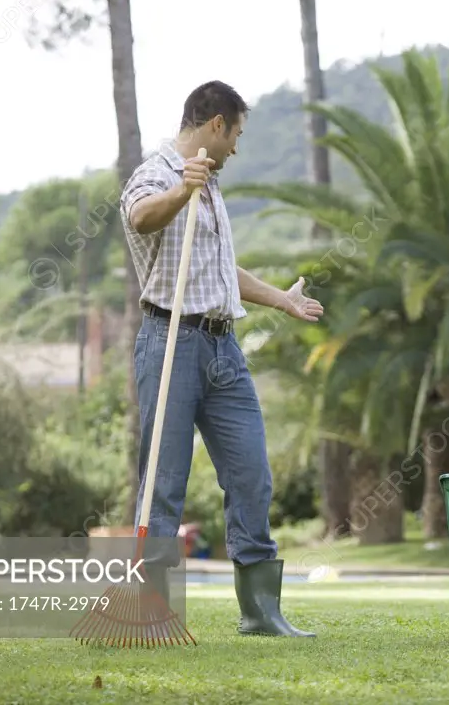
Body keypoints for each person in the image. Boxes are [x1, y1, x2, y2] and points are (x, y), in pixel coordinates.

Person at [120, 80, 324, 638]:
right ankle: (152, 612)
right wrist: (181, 193)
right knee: (164, 482)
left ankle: (260, 612)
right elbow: (141, 218)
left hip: (222, 346)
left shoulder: (209, 188)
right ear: (216, 124)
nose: (236, 146)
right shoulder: (159, 174)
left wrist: (281, 298)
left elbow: (220, 270)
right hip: (170, 343)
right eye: (235, 133)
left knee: (252, 474)